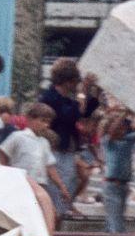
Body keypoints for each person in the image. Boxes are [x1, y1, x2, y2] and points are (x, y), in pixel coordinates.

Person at [39, 58, 98, 219]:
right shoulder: (50, 98)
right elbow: (71, 115)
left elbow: (85, 112)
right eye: (75, 81)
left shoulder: (65, 99)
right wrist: (83, 92)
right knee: (56, 198)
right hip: (56, 153)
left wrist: (92, 92)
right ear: (67, 81)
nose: (77, 85)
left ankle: (61, 216)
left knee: (65, 195)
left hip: (67, 153)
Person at [1, 103, 71, 225]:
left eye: (48, 122)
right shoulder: (18, 137)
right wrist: (5, 175)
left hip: (39, 185)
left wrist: (61, 187)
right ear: (29, 119)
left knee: (41, 215)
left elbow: (50, 167)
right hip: (21, 184)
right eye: (42, 121)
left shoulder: (44, 143)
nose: (46, 125)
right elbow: (3, 154)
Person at [101, 110, 135, 234]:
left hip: (123, 185)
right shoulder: (108, 141)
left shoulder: (128, 140)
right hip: (112, 185)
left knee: (116, 219)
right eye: (120, 127)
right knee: (115, 223)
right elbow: (113, 131)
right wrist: (124, 114)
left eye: (124, 127)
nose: (122, 130)